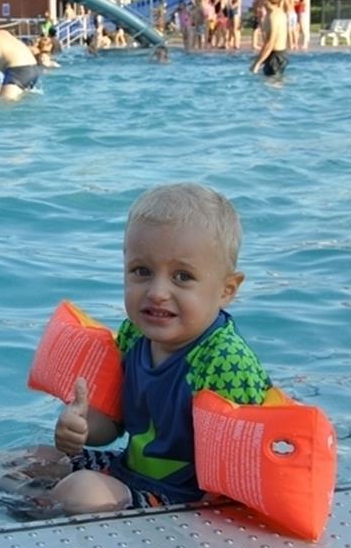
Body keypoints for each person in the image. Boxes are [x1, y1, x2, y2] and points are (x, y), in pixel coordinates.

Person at [49, 183, 270, 514]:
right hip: (131, 470)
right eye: (142, 271)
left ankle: (34, 508)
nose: (157, 292)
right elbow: (114, 426)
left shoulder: (225, 361)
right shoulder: (134, 335)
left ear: (226, 289)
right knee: (37, 460)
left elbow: (246, 465)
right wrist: (80, 429)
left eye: (182, 276)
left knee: (80, 492)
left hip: (184, 498)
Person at [251, 0, 288, 76]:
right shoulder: (271, 13)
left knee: (272, 86)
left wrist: (257, 63)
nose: (257, 0)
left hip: (276, 57)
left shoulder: (274, 16)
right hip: (274, 55)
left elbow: (270, 43)